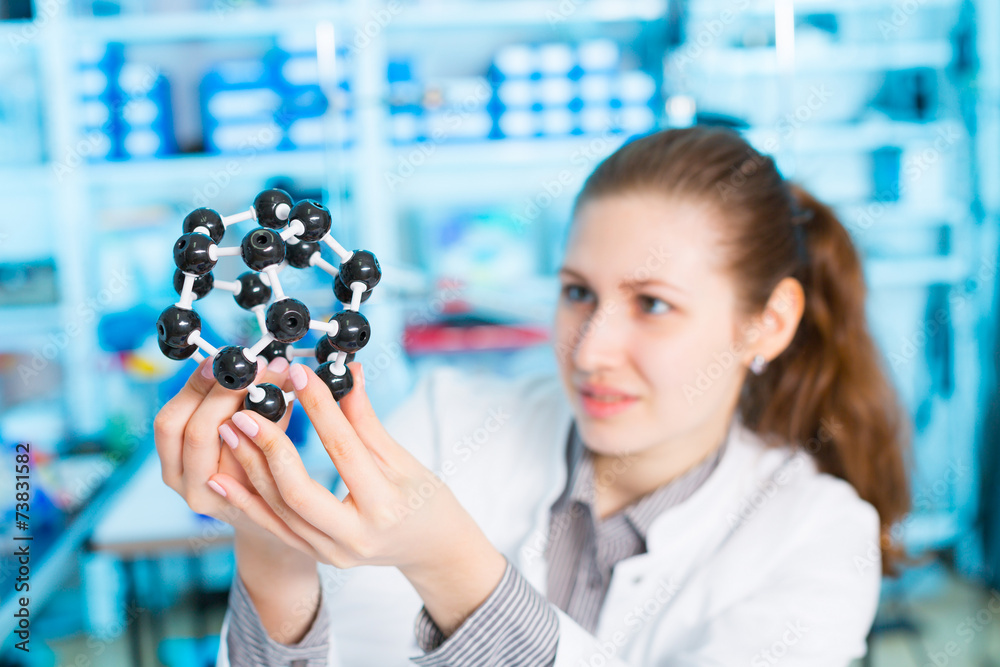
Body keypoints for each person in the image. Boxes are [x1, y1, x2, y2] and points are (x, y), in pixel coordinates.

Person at [154, 125, 911, 666]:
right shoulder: (448, 420)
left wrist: (453, 566)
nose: (591, 348)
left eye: (652, 303)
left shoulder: (819, 536)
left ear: (767, 323)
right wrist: (273, 549)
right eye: (578, 292)